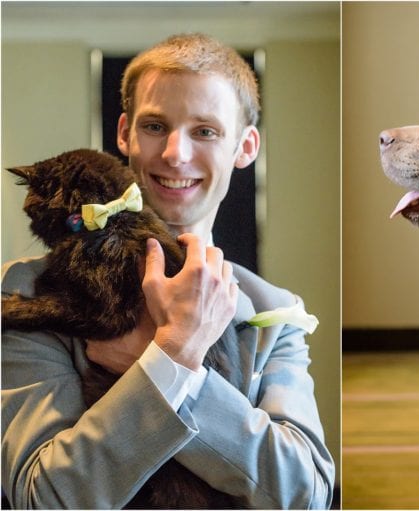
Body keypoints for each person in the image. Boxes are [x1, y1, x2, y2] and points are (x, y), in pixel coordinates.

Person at [1, 33, 335, 508]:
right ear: (124, 134)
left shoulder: (273, 312)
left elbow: (305, 493)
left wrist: (164, 361)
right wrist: (173, 355)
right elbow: (45, 498)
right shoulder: (26, 289)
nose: (175, 154)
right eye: (155, 126)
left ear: (245, 146)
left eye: (205, 131)